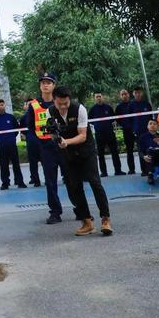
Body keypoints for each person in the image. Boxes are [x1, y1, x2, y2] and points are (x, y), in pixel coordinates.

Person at [51, 86, 113, 236]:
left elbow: (83, 136)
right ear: (54, 101)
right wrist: (56, 139)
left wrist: (67, 142)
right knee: (74, 186)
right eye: (60, 104)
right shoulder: (50, 112)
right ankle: (87, 221)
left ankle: (105, 219)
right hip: (69, 153)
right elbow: (53, 133)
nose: (64, 107)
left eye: (66, 103)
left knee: (95, 182)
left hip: (86, 151)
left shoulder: (80, 109)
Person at [23, 73, 65, 224]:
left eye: (49, 82)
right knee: (50, 182)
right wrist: (40, 146)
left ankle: (80, 209)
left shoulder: (61, 102)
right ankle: (55, 212)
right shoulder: (33, 106)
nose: (46, 85)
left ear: (54, 85)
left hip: (63, 146)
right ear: (40, 86)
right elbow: (30, 128)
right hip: (46, 148)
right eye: (43, 82)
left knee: (73, 179)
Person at [0, 99, 26, 189]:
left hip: (12, 145)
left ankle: (20, 182)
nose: (0, 106)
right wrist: (1, 139)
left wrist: (11, 138)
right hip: (2, 146)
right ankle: (5, 183)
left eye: (2, 105)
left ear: (4, 105)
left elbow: (16, 130)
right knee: (3, 165)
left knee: (16, 164)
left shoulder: (11, 117)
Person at [88, 93, 123, 177]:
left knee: (114, 152)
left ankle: (118, 170)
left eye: (100, 96)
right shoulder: (93, 109)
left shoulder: (108, 107)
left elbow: (112, 119)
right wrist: (98, 125)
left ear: (102, 97)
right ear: (95, 98)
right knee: (100, 154)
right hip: (99, 135)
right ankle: (104, 172)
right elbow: (90, 120)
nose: (99, 98)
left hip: (110, 133)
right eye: (97, 97)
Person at [128, 86, 153, 174]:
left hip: (148, 131)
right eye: (136, 93)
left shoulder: (146, 104)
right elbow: (129, 119)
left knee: (150, 149)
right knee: (141, 150)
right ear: (133, 94)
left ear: (141, 93)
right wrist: (133, 129)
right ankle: (144, 170)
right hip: (138, 132)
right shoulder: (131, 105)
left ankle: (151, 169)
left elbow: (151, 118)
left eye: (139, 92)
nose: (138, 94)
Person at [18, 100, 42, 187]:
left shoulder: (39, 114)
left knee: (45, 161)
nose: (30, 106)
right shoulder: (23, 118)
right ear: (25, 106)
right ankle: (36, 181)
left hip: (41, 141)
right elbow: (22, 130)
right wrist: (28, 136)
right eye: (28, 104)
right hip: (31, 142)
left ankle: (48, 179)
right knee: (33, 163)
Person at [137, 118, 159, 185]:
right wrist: (144, 156)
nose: (152, 125)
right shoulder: (142, 137)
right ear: (147, 126)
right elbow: (140, 151)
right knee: (149, 151)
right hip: (149, 159)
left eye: (154, 124)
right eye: (150, 123)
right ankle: (150, 175)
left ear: (158, 127)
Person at [114, 89, 136, 174]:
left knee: (142, 149)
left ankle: (145, 169)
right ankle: (132, 169)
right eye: (122, 94)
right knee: (129, 151)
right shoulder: (119, 107)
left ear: (128, 95)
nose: (124, 95)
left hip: (136, 129)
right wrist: (124, 125)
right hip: (127, 131)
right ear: (120, 96)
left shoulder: (133, 104)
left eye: (125, 94)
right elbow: (117, 119)